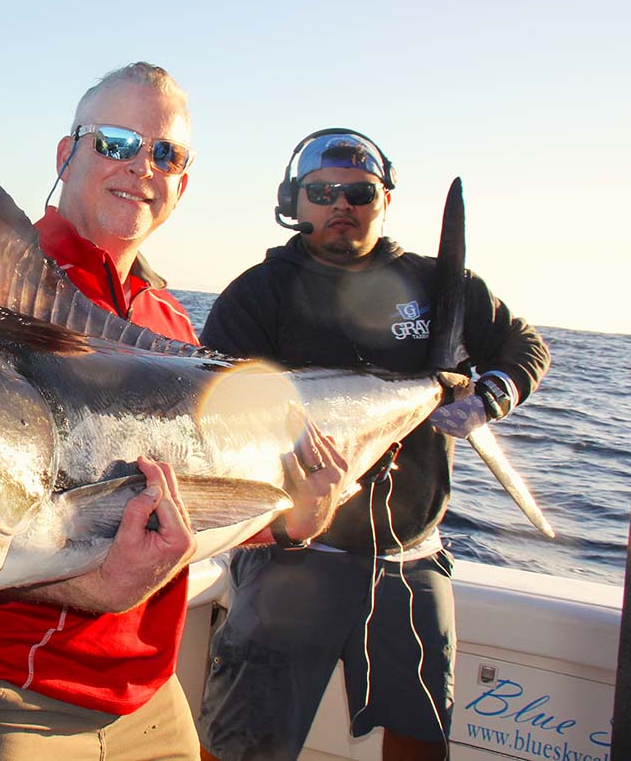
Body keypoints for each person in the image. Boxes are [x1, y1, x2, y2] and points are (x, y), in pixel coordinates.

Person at [0, 65, 350, 760]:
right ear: (66, 154)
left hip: (150, 696)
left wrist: (292, 521)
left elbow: (187, 504)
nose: (142, 166)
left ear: (183, 183)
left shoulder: (170, 322)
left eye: (165, 153)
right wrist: (96, 585)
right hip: (8, 695)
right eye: (115, 142)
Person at [196, 128, 551, 760]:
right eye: (322, 191)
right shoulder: (257, 294)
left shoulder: (441, 285)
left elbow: (524, 345)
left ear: (384, 200)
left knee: (422, 736)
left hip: (412, 558)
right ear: (294, 201)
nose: (342, 204)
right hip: (290, 559)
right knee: (245, 745)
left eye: (359, 193)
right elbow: (216, 413)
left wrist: (491, 395)